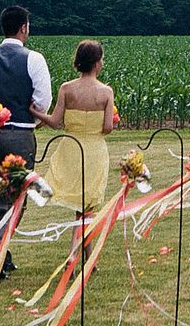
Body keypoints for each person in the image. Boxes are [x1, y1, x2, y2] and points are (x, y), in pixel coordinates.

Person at [0, 6, 51, 278]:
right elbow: (43, 100)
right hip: (20, 133)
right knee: (18, 198)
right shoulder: (34, 59)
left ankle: (1, 255)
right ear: (24, 28)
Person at [36, 41, 116, 253]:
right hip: (94, 150)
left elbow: (54, 122)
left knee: (83, 206)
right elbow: (108, 127)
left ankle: (85, 254)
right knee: (87, 203)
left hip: (71, 148)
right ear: (97, 63)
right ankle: (74, 253)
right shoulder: (106, 92)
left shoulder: (67, 88)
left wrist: (34, 112)